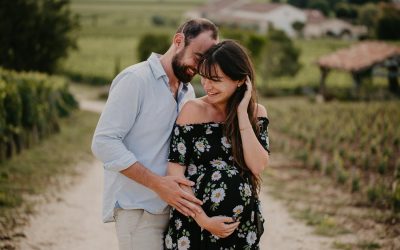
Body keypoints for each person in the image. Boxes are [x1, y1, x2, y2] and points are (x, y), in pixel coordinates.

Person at [91, 18, 219, 250]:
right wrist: (158, 184)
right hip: (138, 210)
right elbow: (103, 142)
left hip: (175, 213)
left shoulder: (187, 91)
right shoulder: (135, 79)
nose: (200, 68)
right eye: (198, 57)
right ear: (178, 41)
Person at [164, 40, 270, 250]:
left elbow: (257, 166)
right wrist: (204, 220)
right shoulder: (192, 111)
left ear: (240, 80)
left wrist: (241, 114)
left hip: (239, 230)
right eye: (203, 77)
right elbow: (175, 174)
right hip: (193, 226)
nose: (207, 86)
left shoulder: (256, 114)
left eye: (216, 80)